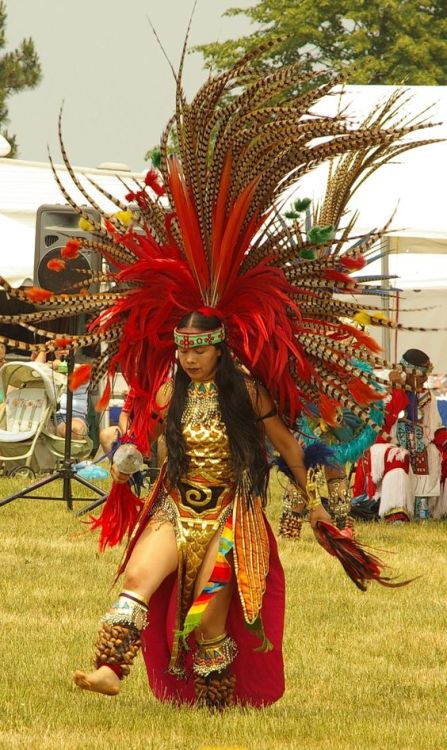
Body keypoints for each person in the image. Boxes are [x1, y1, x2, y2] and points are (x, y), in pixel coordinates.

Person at [73, 311, 330, 707]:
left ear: (220, 350)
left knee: (208, 618)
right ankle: (110, 670)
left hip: (229, 513)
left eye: (200, 351)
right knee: (138, 578)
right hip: (176, 504)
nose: (190, 360)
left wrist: (316, 505)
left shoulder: (248, 391)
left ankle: (214, 700)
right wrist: (125, 457)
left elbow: (290, 448)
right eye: (183, 351)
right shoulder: (168, 393)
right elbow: (142, 438)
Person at [353, 349, 447, 522]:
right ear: (409, 374)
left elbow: (435, 428)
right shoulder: (384, 389)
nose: (426, 379)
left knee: (438, 454)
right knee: (399, 456)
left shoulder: (426, 396)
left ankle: (435, 511)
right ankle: (396, 512)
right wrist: (397, 389)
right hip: (383, 445)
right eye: (422, 375)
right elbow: (385, 424)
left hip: (418, 445)